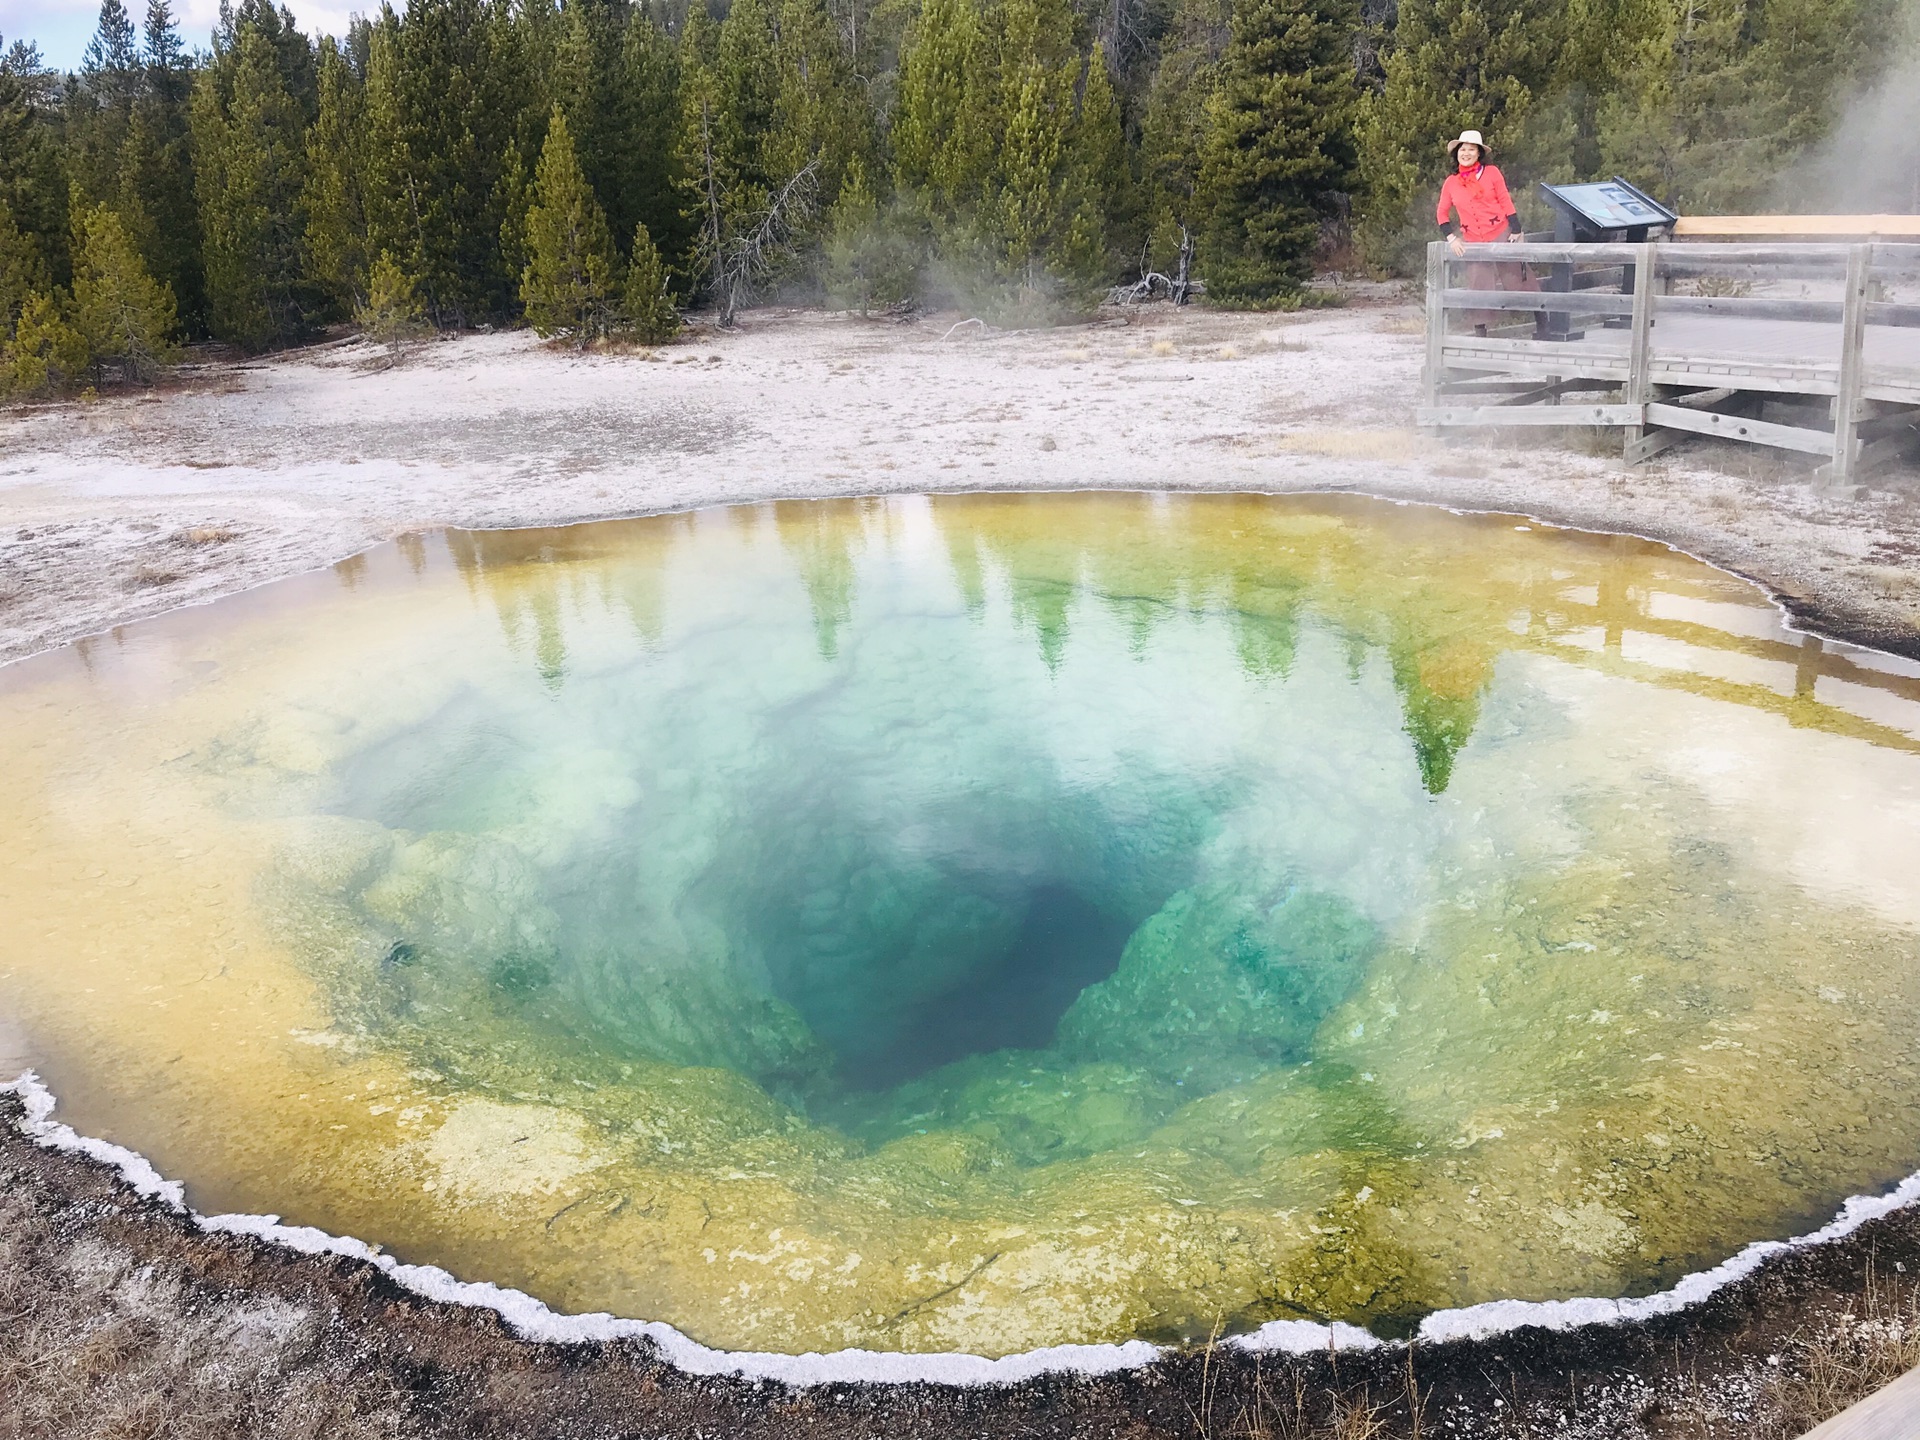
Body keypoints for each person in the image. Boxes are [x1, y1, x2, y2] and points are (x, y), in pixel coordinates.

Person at [1434, 130, 1530, 334]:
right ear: (1456, 153)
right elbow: (1442, 213)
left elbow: (1505, 199)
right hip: (1473, 239)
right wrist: (1452, 239)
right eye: (1462, 149)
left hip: (1500, 231)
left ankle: (1542, 320)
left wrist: (1516, 228)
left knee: (1516, 278)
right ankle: (1481, 334)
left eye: (1471, 149)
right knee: (1479, 283)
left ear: (1479, 153)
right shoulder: (1451, 182)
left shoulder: (1492, 172)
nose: (1466, 153)